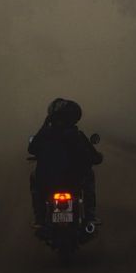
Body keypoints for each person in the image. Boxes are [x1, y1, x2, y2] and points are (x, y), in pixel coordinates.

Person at [28, 97, 103, 228]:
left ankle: (39, 218)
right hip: (74, 179)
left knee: (34, 178)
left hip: (49, 180)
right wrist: (96, 158)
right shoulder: (77, 135)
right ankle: (90, 216)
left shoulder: (45, 134)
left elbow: (32, 149)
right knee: (89, 175)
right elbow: (94, 157)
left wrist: (44, 126)